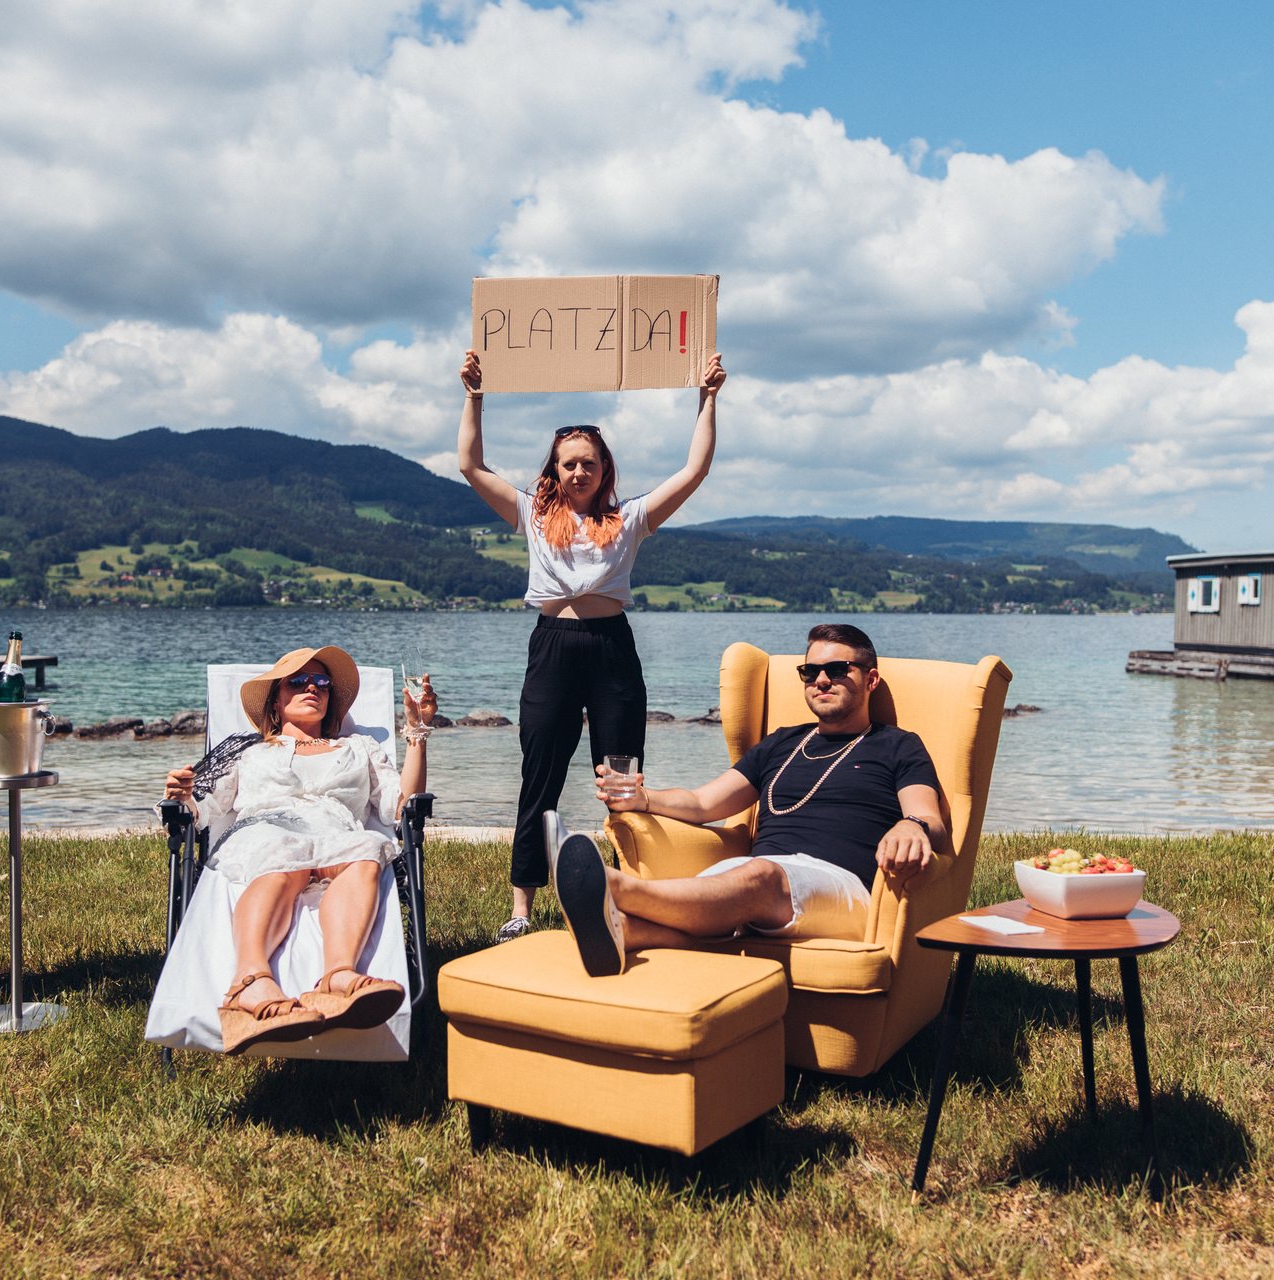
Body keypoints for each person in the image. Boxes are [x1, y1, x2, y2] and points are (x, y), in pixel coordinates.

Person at [457, 347, 728, 941]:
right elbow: (471, 467)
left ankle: (635, 896)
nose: (578, 472)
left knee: (624, 783)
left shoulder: (630, 518)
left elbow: (695, 471)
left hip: (611, 650)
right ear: (554, 473)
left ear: (605, 469)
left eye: (588, 463)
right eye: (567, 465)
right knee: (540, 778)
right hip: (553, 646)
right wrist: (475, 395)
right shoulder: (531, 515)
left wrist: (707, 399)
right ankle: (521, 910)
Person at [548, 623, 949, 978]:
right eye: (810, 672)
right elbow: (705, 803)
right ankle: (624, 932)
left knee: (758, 877)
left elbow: (929, 817)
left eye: (837, 669)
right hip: (753, 878)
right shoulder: (783, 743)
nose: (821, 680)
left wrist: (909, 825)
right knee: (744, 878)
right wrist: (643, 797)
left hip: (842, 889)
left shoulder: (897, 745)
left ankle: (612, 886)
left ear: (871, 679)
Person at [162, 646, 438, 1053]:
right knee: (284, 859)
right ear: (276, 699)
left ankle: (338, 975)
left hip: (337, 833)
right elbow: (204, 811)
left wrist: (417, 732)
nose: (313, 687)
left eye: (322, 682)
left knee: (365, 857)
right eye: (298, 681)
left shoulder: (359, 748)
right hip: (267, 831)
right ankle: (250, 982)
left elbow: (401, 807)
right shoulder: (248, 752)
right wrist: (183, 796)